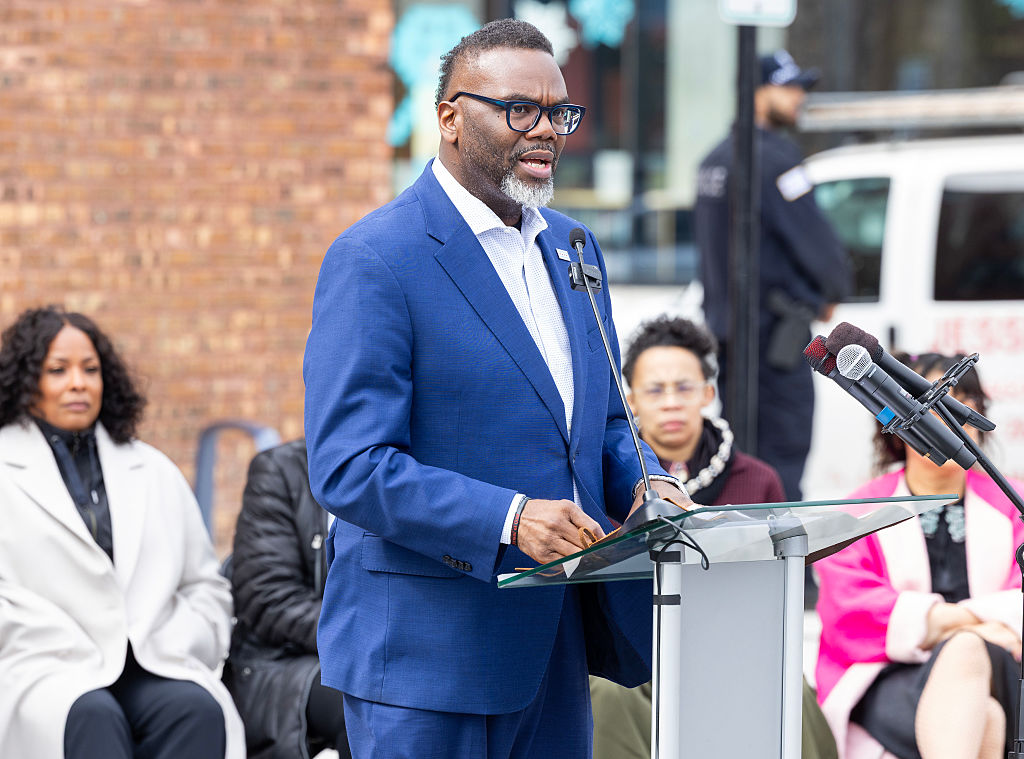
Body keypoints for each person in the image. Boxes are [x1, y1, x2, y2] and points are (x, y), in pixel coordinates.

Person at [303, 19, 689, 759]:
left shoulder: (573, 246)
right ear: (449, 118)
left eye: (558, 111)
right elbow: (349, 466)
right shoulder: (375, 258)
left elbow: (606, 420)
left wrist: (648, 480)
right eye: (519, 109)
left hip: (556, 644)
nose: (545, 129)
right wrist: (509, 520)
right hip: (425, 657)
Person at [0, 305, 244, 759]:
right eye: (58, 370)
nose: (78, 383)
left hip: (151, 658)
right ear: (25, 380)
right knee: (91, 715)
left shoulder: (152, 468)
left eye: (90, 370)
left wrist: (187, 636)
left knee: (195, 710)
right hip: (43, 666)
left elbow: (204, 583)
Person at [588, 315, 838, 759]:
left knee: (792, 693)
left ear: (707, 393)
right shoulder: (606, 483)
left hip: (730, 645)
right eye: (655, 390)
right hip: (636, 651)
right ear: (630, 400)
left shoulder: (757, 479)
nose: (671, 403)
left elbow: (777, 588)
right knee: (608, 697)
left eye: (684, 387)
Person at [815, 352, 1024, 759]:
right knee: (985, 712)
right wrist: (981, 626)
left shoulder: (1013, 502)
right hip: (890, 674)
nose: (951, 419)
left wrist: (945, 629)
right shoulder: (858, 512)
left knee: (968, 656)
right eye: (935, 405)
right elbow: (850, 609)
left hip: (1002, 666)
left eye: (964, 404)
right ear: (897, 420)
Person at [695, 49, 852, 502]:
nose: (800, 97)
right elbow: (813, 238)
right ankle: (783, 551)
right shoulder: (775, 158)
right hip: (774, 343)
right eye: (789, 87)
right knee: (781, 463)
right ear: (757, 92)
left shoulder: (713, 160)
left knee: (742, 462)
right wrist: (833, 287)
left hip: (732, 344)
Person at [223, 439, 352, 759]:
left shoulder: (400, 477)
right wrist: (360, 638)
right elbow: (268, 599)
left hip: (358, 655)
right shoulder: (281, 470)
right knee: (361, 707)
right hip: (279, 662)